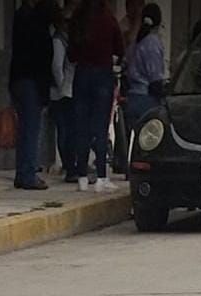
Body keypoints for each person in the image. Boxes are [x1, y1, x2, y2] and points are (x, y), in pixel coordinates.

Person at [69, 0, 125, 193]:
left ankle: (82, 177)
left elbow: (71, 54)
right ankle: (101, 176)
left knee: (81, 127)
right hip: (102, 76)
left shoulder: (78, 18)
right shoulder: (108, 19)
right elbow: (120, 49)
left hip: (82, 75)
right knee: (100, 127)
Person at [9, 0, 58, 190]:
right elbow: (42, 60)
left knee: (25, 130)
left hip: (19, 80)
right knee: (31, 130)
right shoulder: (38, 25)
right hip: (32, 83)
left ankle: (23, 172)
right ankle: (28, 174)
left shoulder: (21, 16)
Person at [50, 0, 79, 183]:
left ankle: (71, 164)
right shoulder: (58, 41)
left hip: (69, 91)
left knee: (69, 131)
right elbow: (56, 67)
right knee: (65, 131)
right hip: (62, 93)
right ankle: (69, 166)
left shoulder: (69, 40)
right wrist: (62, 87)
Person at [126, 3, 165, 128]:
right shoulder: (152, 43)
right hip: (147, 100)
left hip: (132, 97)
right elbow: (155, 81)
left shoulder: (136, 42)